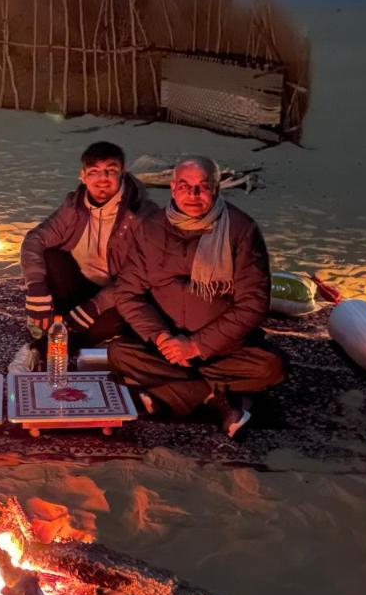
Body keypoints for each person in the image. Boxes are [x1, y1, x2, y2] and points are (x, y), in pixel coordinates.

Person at [107, 157, 287, 437]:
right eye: (185, 186)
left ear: (216, 189)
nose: (192, 195)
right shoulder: (151, 228)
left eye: (202, 187)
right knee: (119, 353)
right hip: (165, 348)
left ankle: (175, 394)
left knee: (272, 366)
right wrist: (160, 337)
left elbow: (253, 304)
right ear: (172, 187)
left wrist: (196, 346)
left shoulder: (241, 230)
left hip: (224, 349)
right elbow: (128, 293)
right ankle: (219, 399)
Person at [14, 141, 156, 370]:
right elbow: (35, 239)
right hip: (81, 284)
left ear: (123, 173)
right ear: (83, 176)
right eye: (94, 172)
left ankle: (40, 347)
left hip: (117, 294)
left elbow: (140, 276)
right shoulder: (74, 205)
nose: (102, 179)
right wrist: (35, 287)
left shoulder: (142, 215)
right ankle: (66, 327)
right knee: (50, 255)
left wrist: (95, 307)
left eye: (110, 171)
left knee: (122, 318)